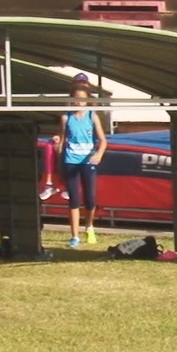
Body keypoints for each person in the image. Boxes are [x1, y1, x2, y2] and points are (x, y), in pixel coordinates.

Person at [54, 80, 107, 248]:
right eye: (76, 99)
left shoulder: (92, 116)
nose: (79, 102)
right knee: (73, 200)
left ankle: (89, 225)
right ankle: (74, 236)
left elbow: (103, 141)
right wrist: (57, 146)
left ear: (87, 100)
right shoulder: (66, 117)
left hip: (88, 161)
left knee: (90, 200)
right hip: (71, 160)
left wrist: (99, 154)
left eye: (82, 99)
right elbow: (62, 139)